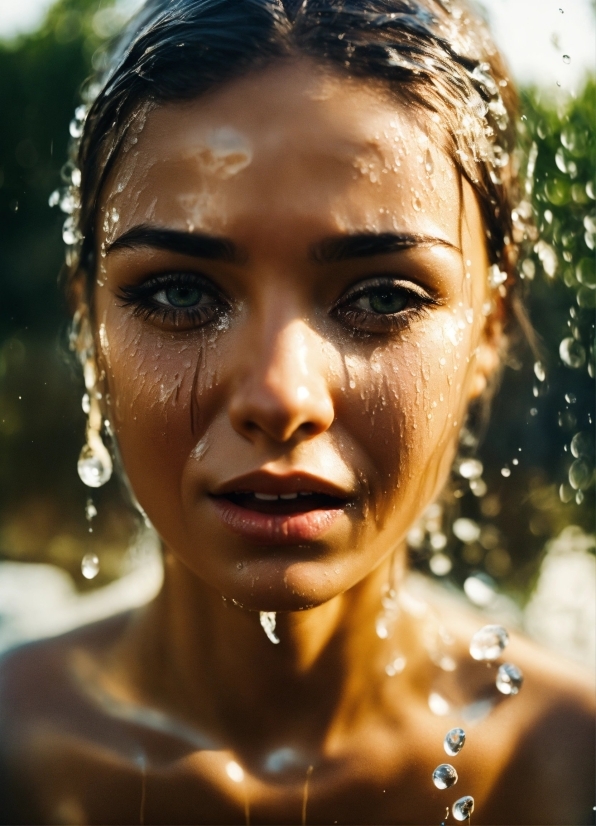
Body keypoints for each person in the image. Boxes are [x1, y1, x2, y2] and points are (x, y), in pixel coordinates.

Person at [0, 1, 593, 823]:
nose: (281, 397)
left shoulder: (573, 765)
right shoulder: (13, 756)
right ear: (89, 327)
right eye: (179, 292)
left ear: (488, 328)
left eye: (383, 295)